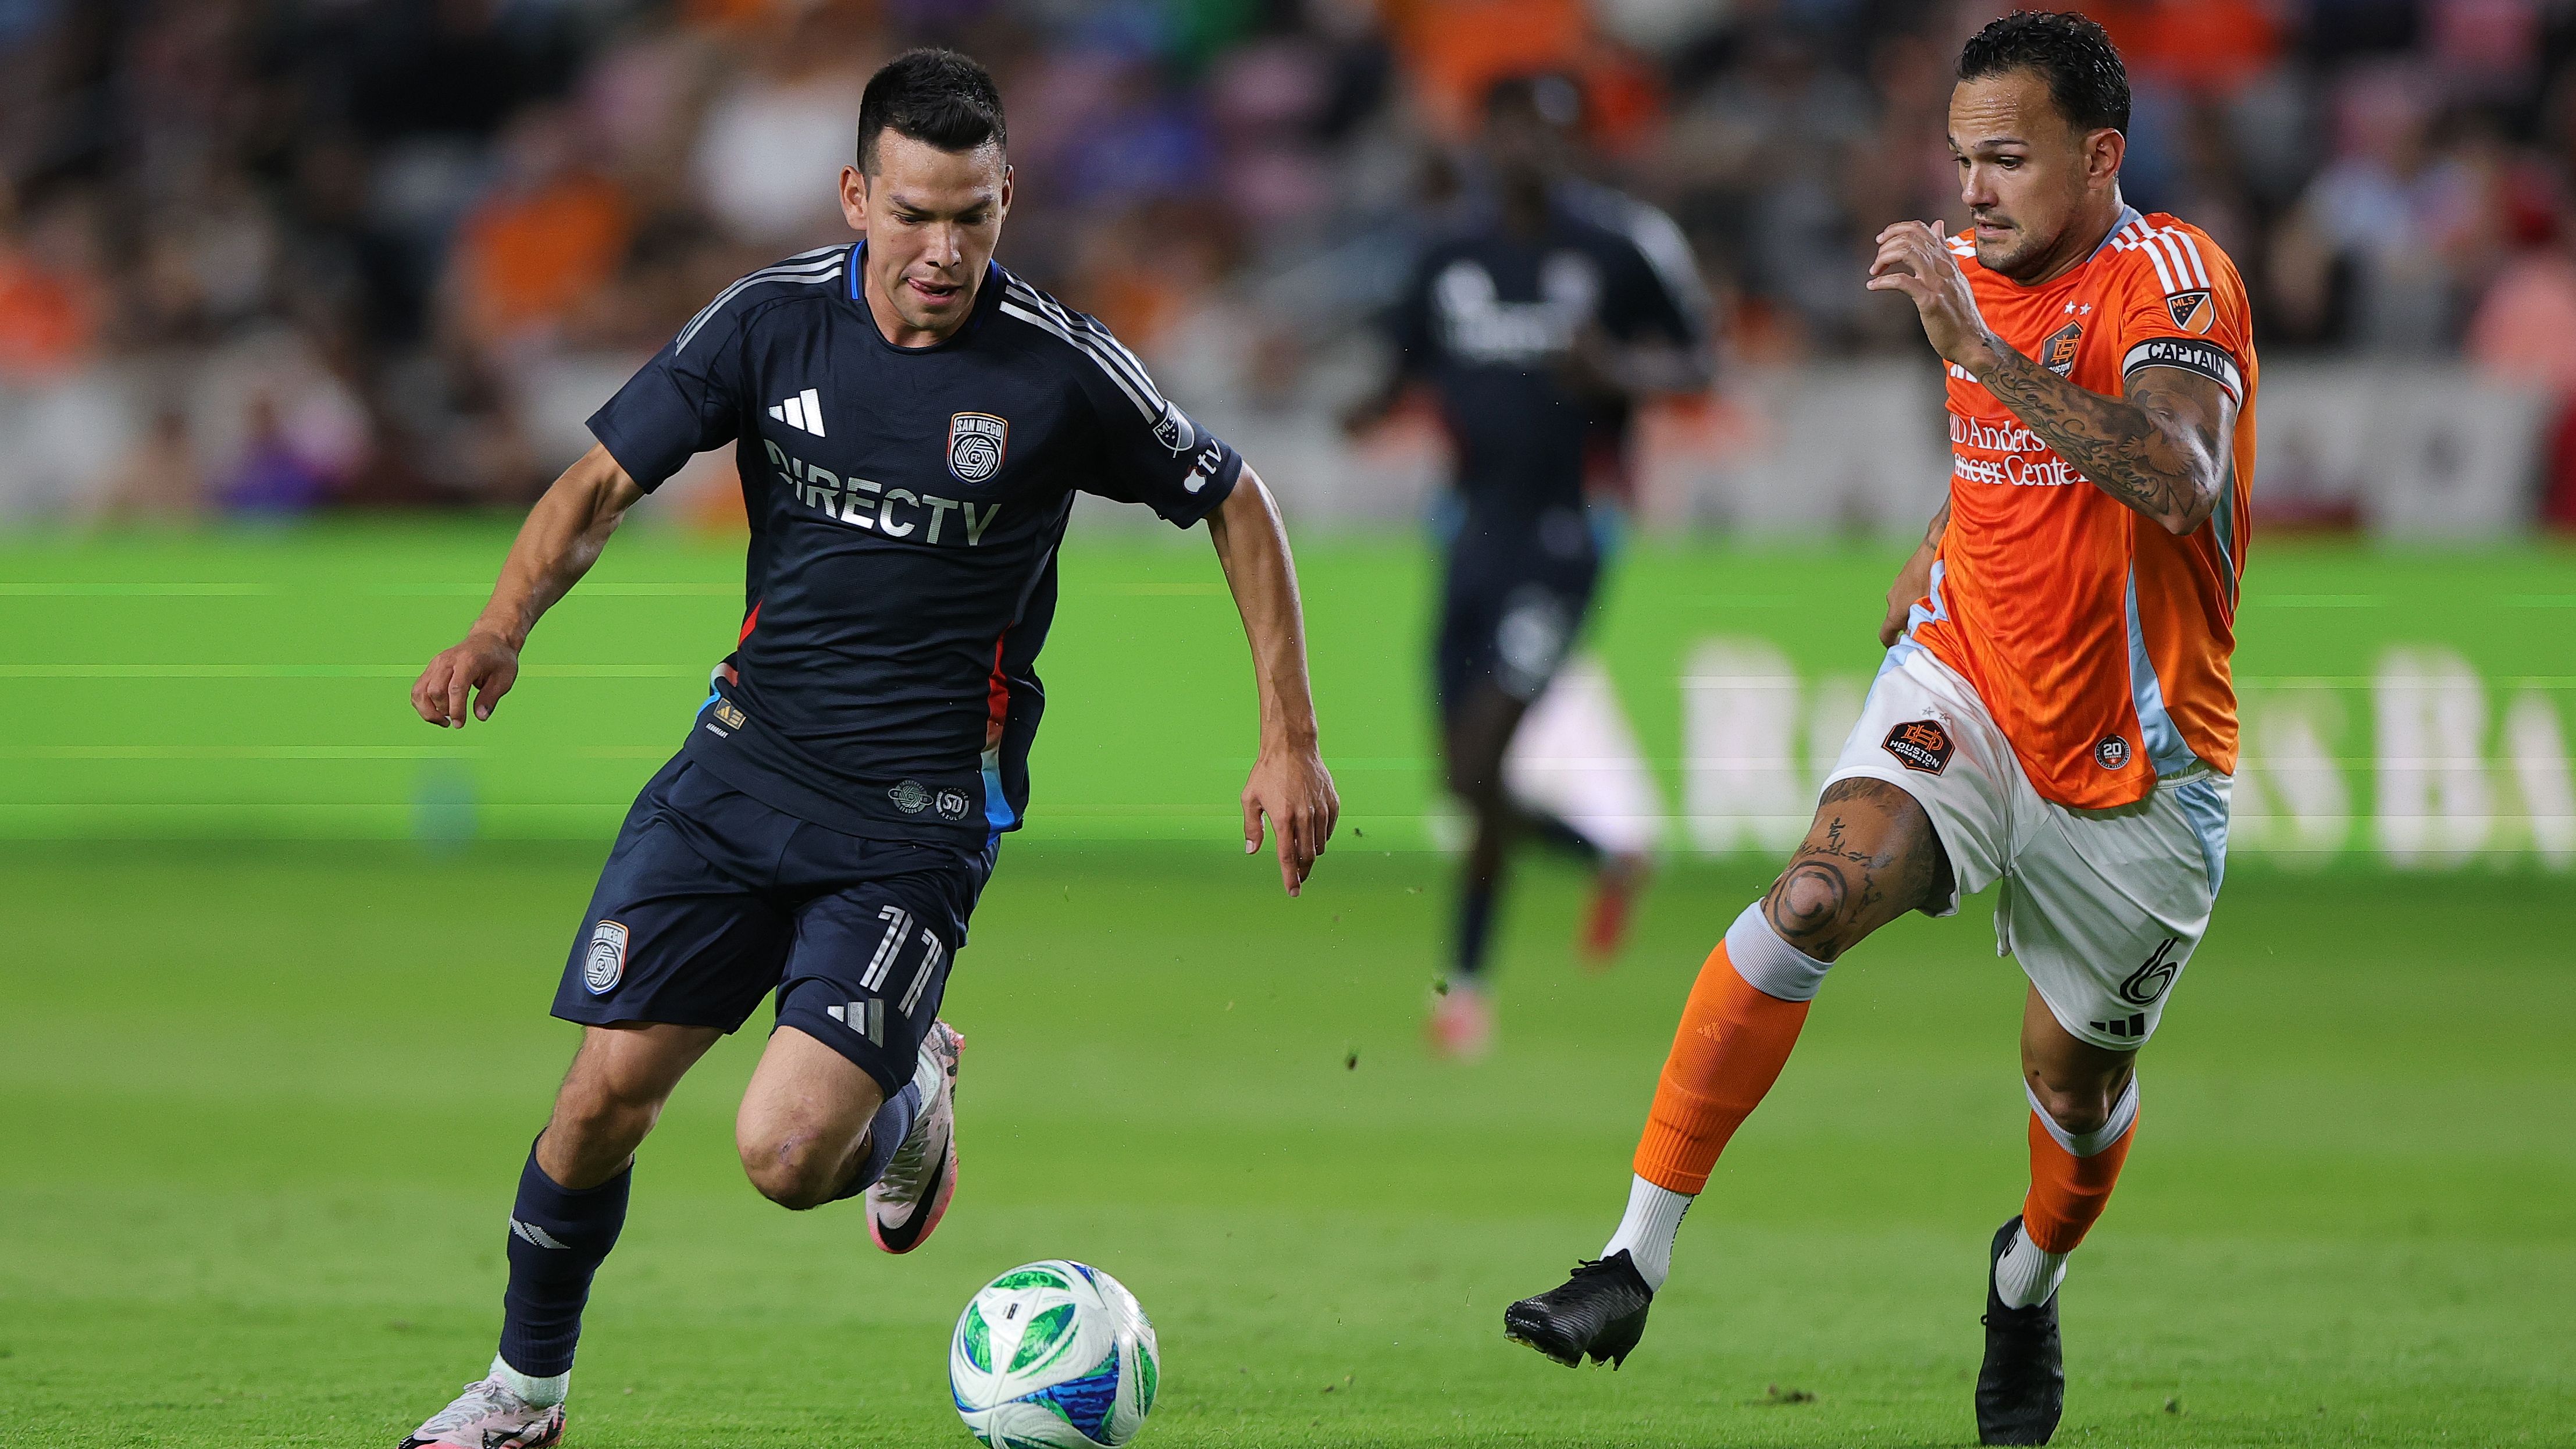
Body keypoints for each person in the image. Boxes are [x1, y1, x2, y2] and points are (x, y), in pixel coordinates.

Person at [396, 49, 1338, 1449]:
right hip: (735, 774)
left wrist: (1289, 737)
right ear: (855, 196)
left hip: (912, 821)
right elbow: (601, 482)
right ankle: (523, 1401)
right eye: (912, 213)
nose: (943, 251)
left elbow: (1233, 495)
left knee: (781, 1160)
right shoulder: (768, 324)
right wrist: (499, 625)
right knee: (599, 1100)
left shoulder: (1059, 367)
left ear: (1008, 199)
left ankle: (910, 1094)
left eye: (972, 216)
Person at [1502, 15, 2256, 1447]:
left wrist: (1972, 344)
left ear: (2100, 159)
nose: (1973, 192)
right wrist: (1944, 529)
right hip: (1965, 678)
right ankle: (1628, 1259)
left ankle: (2023, 1284)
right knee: (1812, 895)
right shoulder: (1973, 270)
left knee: (2072, 1085)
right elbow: (2011, 456)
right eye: (1961, 158)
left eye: (2008, 160)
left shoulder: (2172, 278)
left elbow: (2174, 475)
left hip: (2140, 769)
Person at [1351, 73, 1711, 1057]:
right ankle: (1604, 855)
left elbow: (1702, 363)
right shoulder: (1448, 255)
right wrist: (1367, 404)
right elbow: (1401, 364)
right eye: (1511, 130)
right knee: (1465, 786)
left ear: (1577, 144)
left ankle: (1463, 993)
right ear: (1486, 139)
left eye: (1551, 132)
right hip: (1466, 532)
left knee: (1484, 755)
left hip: (1567, 533)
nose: (1527, 150)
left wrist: (1624, 373)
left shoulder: (1621, 246)